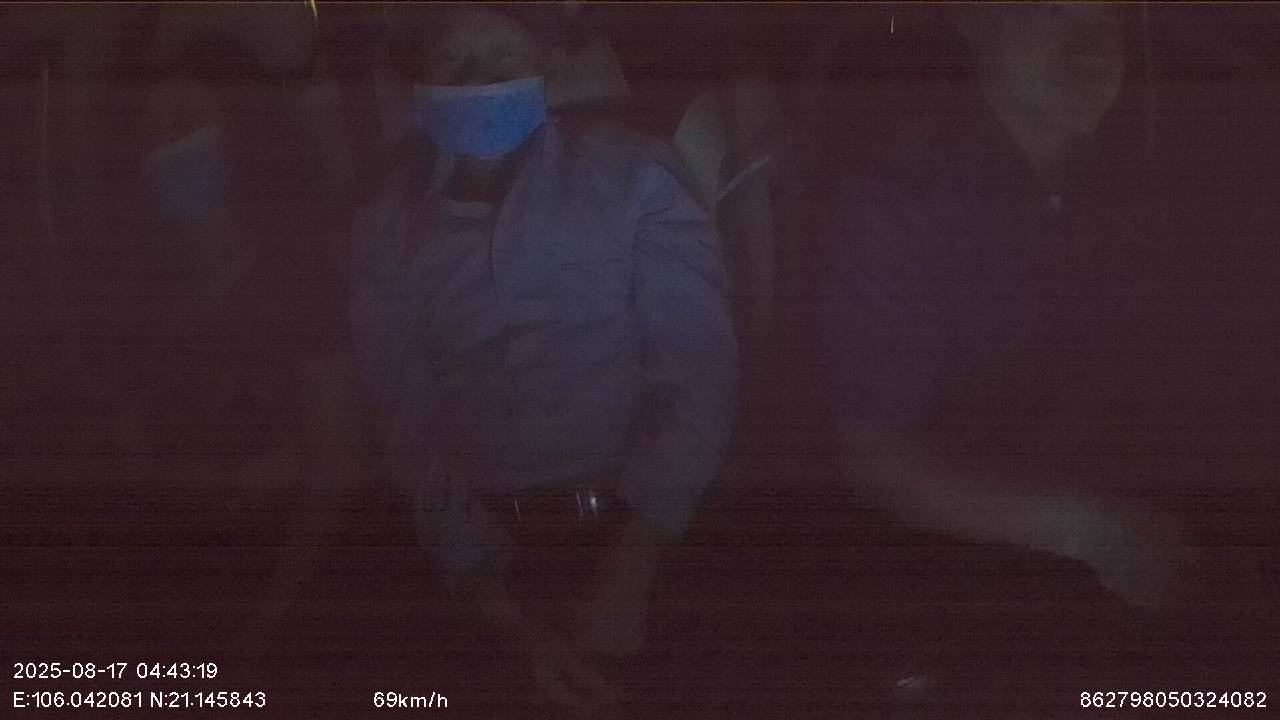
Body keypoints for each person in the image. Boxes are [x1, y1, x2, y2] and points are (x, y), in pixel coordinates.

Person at [823, 3, 1273, 704]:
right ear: (975, 17)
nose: (1091, 45)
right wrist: (1097, 534)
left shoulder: (1136, 175)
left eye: (1107, 17)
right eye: (1051, 10)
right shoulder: (903, 199)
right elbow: (873, 456)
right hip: (989, 586)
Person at [350, 4, 736, 712]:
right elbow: (407, 421)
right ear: (418, 84)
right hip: (483, 560)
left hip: (643, 530)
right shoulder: (385, 224)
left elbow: (700, 376)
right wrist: (495, 604)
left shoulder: (637, 176)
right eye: (455, 63)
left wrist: (635, 562)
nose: (479, 80)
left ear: (548, 65)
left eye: (501, 58)